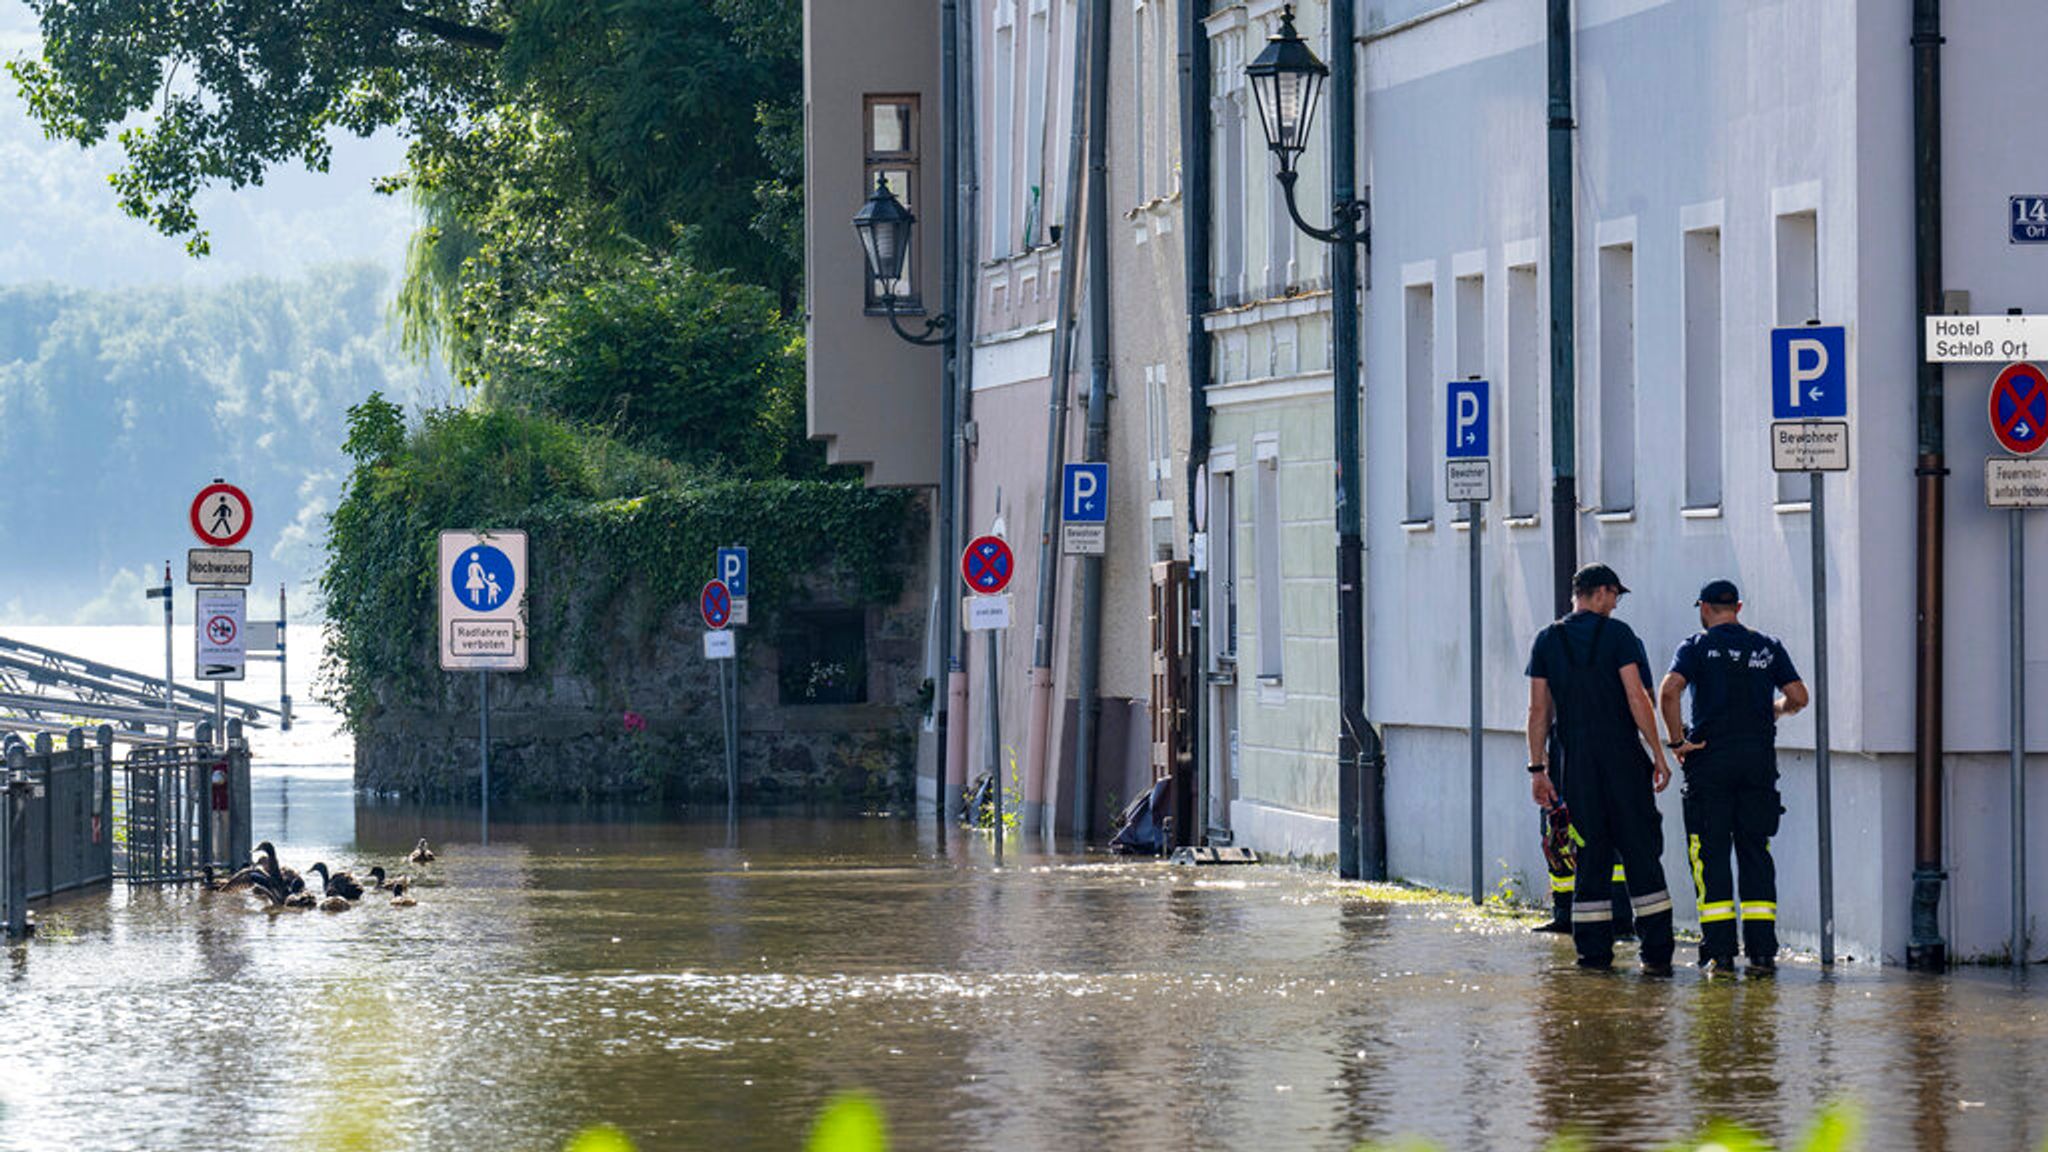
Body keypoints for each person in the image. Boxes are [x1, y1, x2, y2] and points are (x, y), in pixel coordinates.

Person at [1524, 563, 1677, 973]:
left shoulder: (1547, 640)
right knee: (1640, 850)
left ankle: (1592, 956)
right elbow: (1636, 697)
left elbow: (1539, 710)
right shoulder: (1619, 635)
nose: (1616, 603)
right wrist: (1658, 754)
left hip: (1575, 764)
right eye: (1615, 595)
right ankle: (1657, 955)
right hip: (1622, 760)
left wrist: (1538, 769)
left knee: (1589, 855)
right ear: (1602, 592)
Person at [1658, 579, 1808, 974]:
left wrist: (1677, 743)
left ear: (1704, 608)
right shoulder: (1767, 646)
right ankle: (1761, 953)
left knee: (1710, 855)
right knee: (1756, 853)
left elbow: (1670, 691)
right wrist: (1774, 710)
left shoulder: (1696, 647)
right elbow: (1799, 697)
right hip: (1757, 764)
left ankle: (1720, 953)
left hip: (1709, 763)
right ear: (1738, 607)